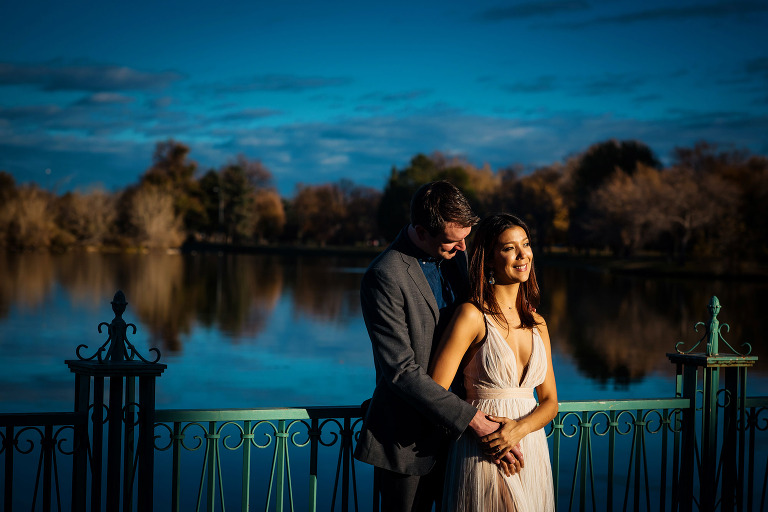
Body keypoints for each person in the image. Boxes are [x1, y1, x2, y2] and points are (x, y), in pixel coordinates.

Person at [354, 182, 522, 512]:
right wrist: (473, 419)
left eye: (466, 237)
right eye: (452, 240)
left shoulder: (458, 259)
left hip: (463, 445)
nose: (463, 247)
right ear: (420, 230)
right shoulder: (384, 275)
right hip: (406, 442)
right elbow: (401, 372)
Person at [429, 213, 558, 511]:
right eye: (509, 248)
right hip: (484, 449)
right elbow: (435, 391)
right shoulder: (471, 316)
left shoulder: (538, 323)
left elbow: (550, 401)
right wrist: (484, 428)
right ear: (487, 258)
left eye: (525, 244)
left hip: (530, 448)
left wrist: (519, 429)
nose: (522, 254)